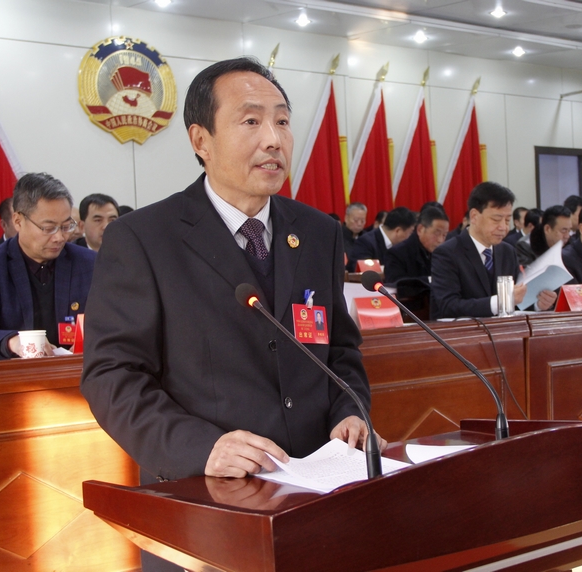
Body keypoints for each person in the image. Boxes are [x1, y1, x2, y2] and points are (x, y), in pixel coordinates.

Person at [80, 58, 379, 572]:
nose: (274, 139)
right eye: (251, 121)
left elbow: (340, 351)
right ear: (201, 139)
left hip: (315, 499)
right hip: (204, 504)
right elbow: (112, 376)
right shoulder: (143, 239)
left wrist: (351, 412)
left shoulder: (318, 232)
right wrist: (204, 448)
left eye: (282, 121)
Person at [0, 172, 95, 360]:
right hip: (13, 373)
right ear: (18, 221)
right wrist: (13, 342)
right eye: (48, 228)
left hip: (77, 371)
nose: (59, 237)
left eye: (65, 226)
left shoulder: (89, 263)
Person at [431, 182, 550, 319]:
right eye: (496, 220)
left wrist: (538, 304)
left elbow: (516, 302)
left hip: (503, 330)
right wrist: (501, 301)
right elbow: (448, 306)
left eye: (507, 220)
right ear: (474, 216)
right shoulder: (447, 253)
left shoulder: (508, 251)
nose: (503, 227)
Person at [384, 206, 448, 283]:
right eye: (436, 233)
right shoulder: (396, 254)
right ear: (420, 229)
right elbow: (396, 284)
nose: (440, 240)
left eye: (444, 235)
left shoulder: (443, 255)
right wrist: (431, 280)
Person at [348, 206, 416, 269]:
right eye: (410, 233)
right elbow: (363, 271)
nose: (410, 237)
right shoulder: (365, 242)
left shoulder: (401, 246)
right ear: (398, 231)